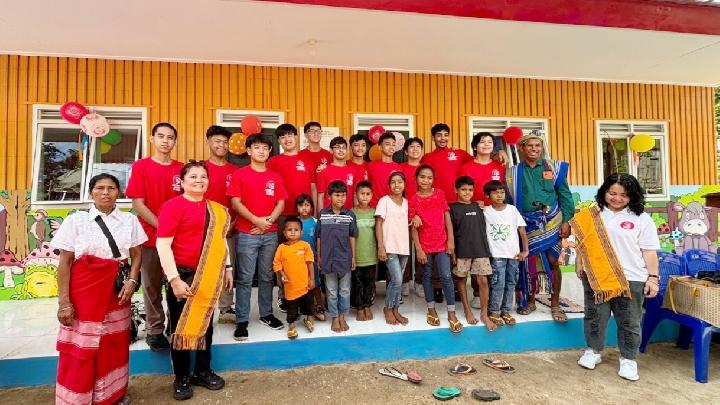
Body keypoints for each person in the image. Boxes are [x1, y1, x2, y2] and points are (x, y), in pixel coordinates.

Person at [53, 173, 146, 405]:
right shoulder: (75, 221)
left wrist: (132, 281)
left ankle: (111, 396)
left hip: (117, 292)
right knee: (81, 348)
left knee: (112, 346)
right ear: (91, 192)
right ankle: (78, 398)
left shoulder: (129, 221)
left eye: (111, 188)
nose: (106, 192)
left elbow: (136, 254)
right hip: (84, 294)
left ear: (119, 193)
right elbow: (64, 262)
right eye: (100, 188)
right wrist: (64, 302)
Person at [571, 174, 660, 381]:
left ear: (633, 196)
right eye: (612, 193)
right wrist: (579, 263)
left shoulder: (641, 218)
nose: (617, 198)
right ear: (604, 192)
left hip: (632, 278)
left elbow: (649, 252)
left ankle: (628, 359)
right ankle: (593, 351)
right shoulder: (591, 215)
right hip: (596, 276)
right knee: (595, 316)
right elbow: (582, 245)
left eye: (623, 195)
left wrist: (653, 278)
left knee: (630, 321)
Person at [156, 161, 232, 401]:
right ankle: (181, 376)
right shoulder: (172, 207)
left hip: (210, 274)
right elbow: (163, 244)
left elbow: (220, 243)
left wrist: (228, 267)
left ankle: (202, 370)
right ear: (182, 181)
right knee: (180, 328)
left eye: (203, 176)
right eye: (193, 176)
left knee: (206, 326)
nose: (199, 180)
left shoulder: (217, 210)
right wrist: (174, 279)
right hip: (183, 276)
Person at [125, 122, 183, 351]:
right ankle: (155, 329)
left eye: (170, 137)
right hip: (150, 237)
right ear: (152, 139)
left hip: (178, 239)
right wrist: (162, 227)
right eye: (161, 136)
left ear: (175, 142)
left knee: (176, 282)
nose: (165, 141)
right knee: (151, 285)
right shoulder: (141, 167)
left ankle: (175, 325)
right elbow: (137, 204)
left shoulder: (182, 168)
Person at [506, 133, 574, 322]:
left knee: (553, 262)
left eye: (537, 145)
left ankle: (555, 304)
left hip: (552, 222)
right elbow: (508, 200)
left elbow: (565, 195)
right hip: (525, 225)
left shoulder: (554, 168)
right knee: (527, 264)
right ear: (522, 148)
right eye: (530, 146)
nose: (534, 149)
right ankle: (529, 300)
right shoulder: (513, 173)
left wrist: (566, 220)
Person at [227, 134, 288, 341]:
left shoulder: (275, 176)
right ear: (249, 151)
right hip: (246, 234)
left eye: (265, 148)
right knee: (244, 279)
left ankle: (266, 314)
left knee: (266, 276)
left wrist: (267, 222)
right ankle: (242, 320)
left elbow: (281, 202)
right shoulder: (240, 174)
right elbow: (236, 203)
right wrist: (256, 221)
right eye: (257, 147)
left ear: (269, 151)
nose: (261, 151)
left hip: (269, 234)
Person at [409, 165, 461, 333]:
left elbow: (446, 216)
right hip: (424, 245)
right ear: (416, 178)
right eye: (422, 177)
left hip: (442, 243)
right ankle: (431, 309)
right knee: (427, 275)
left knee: (446, 275)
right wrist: (419, 249)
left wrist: (451, 240)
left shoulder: (439, 194)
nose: (426, 180)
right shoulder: (413, 199)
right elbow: (413, 227)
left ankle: (451, 312)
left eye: (429, 177)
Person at [449, 176, 495, 331]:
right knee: (461, 281)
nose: (467, 193)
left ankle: (484, 314)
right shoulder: (452, 208)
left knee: (483, 281)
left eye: (470, 190)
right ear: (456, 190)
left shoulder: (478, 206)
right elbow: (450, 233)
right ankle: (467, 310)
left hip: (480, 250)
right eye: (463, 190)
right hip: (462, 251)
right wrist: (453, 252)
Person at [203, 125, 238, 323]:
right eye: (217, 141)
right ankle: (204, 306)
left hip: (230, 229)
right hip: (203, 228)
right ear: (208, 142)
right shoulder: (201, 169)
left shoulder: (235, 171)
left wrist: (232, 223)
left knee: (228, 267)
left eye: (225, 142)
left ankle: (225, 308)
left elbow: (240, 201)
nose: (222, 145)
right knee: (204, 269)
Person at [483, 180, 529, 327]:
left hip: (514, 255)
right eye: (495, 192)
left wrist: (525, 250)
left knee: (511, 282)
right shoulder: (485, 212)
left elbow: (522, 230)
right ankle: (494, 311)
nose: (499, 195)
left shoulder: (512, 210)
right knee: (498, 283)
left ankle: (506, 310)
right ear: (488, 195)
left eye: (502, 192)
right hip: (497, 255)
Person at [316, 180, 358, 333]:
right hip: (328, 259)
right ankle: (334, 317)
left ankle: (342, 315)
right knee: (331, 290)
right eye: (337, 195)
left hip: (345, 258)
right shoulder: (323, 215)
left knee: (345, 290)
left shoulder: (350, 215)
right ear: (329, 196)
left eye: (343, 195)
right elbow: (319, 237)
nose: (340, 199)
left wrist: (353, 257)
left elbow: (352, 237)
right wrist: (319, 256)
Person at [375, 172, 410, 326]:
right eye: (393, 182)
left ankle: (395, 309)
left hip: (404, 247)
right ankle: (388, 309)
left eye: (400, 182)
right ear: (389, 185)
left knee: (398, 281)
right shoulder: (384, 201)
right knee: (396, 280)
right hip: (389, 247)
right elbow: (378, 224)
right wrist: (381, 247)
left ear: (405, 184)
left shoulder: (407, 202)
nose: (397, 185)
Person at [273, 217, 316, 339]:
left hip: (305, 285)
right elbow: (277, 263)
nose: (293, 232)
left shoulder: (305, 246)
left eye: (296, 229)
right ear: (284, 233)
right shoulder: (281, 248)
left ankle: (308, 319)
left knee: (308, 305)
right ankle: (291, 327)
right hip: (290, 287)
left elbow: (310, 263)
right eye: (289, 229)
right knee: (291, 309)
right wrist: (282, 274)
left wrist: (312, 279)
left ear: (301, 232)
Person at [420, 123, 473, 204]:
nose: (443, 138)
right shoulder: (426, 158)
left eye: (446, 135)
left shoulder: (459, 153)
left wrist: (497, 155)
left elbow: (479, 161)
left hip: (457, 202)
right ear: (433, 138)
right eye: (439, 135)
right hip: (435, 202)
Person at [400, 137, 424, 298]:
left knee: (421, 248)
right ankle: (405, 281)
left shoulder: (426, 169)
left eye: (418, 147)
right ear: (406, 151)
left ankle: (420, 282)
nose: (415, 150)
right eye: (412, 147)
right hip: (403, 214)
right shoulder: (400, 169)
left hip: (424, 215)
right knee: (405, 249)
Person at [296, 194, 325, 320]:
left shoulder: (315, 222)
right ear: (297, 208)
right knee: (299, 283)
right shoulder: (295, 223)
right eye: (301, 205)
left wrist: (319, 256)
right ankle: (300, 307)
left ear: (312, 208)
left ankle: (319, 305)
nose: (304, 208)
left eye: (307, 205)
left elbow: (320, 240)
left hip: (312, 259)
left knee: (315, 283)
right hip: (297, 260)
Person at [352, 181, 377, 321]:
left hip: (371, 255)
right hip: (357, 256)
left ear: (372, 195)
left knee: (370, 282)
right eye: (362, 194)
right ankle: (359, 308)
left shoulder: (375, 213)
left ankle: (367, 305)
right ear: (356, 195)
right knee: (357, 283)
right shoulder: (351, 213)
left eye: (368, 194)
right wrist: (352, 256)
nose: (365, 197)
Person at [459, 132, 506, 207]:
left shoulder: (500, 166)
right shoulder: (465, 167)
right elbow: (461, 191)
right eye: (482, 142)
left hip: (495, 210)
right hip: (473, 209)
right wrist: (472, 204)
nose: (486, 144)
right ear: (475, 147)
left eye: (490, 142)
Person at [317, 136, 356, 211]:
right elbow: (320, 196)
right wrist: (320, 217)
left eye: (343, 147)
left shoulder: (352, 171)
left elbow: (354, 195)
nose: (341, 150)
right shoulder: (323, 170)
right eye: (338, 147)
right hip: (328, 214)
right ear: (331, 150)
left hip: (347, 213)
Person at [367, 133, 402, 207]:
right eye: (388, 144)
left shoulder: (399, 168)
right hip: (374, 208)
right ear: (380, 147)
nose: (391, 147)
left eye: (393, 144)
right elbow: (366, 188)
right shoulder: (371, 166)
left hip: (393, 208)